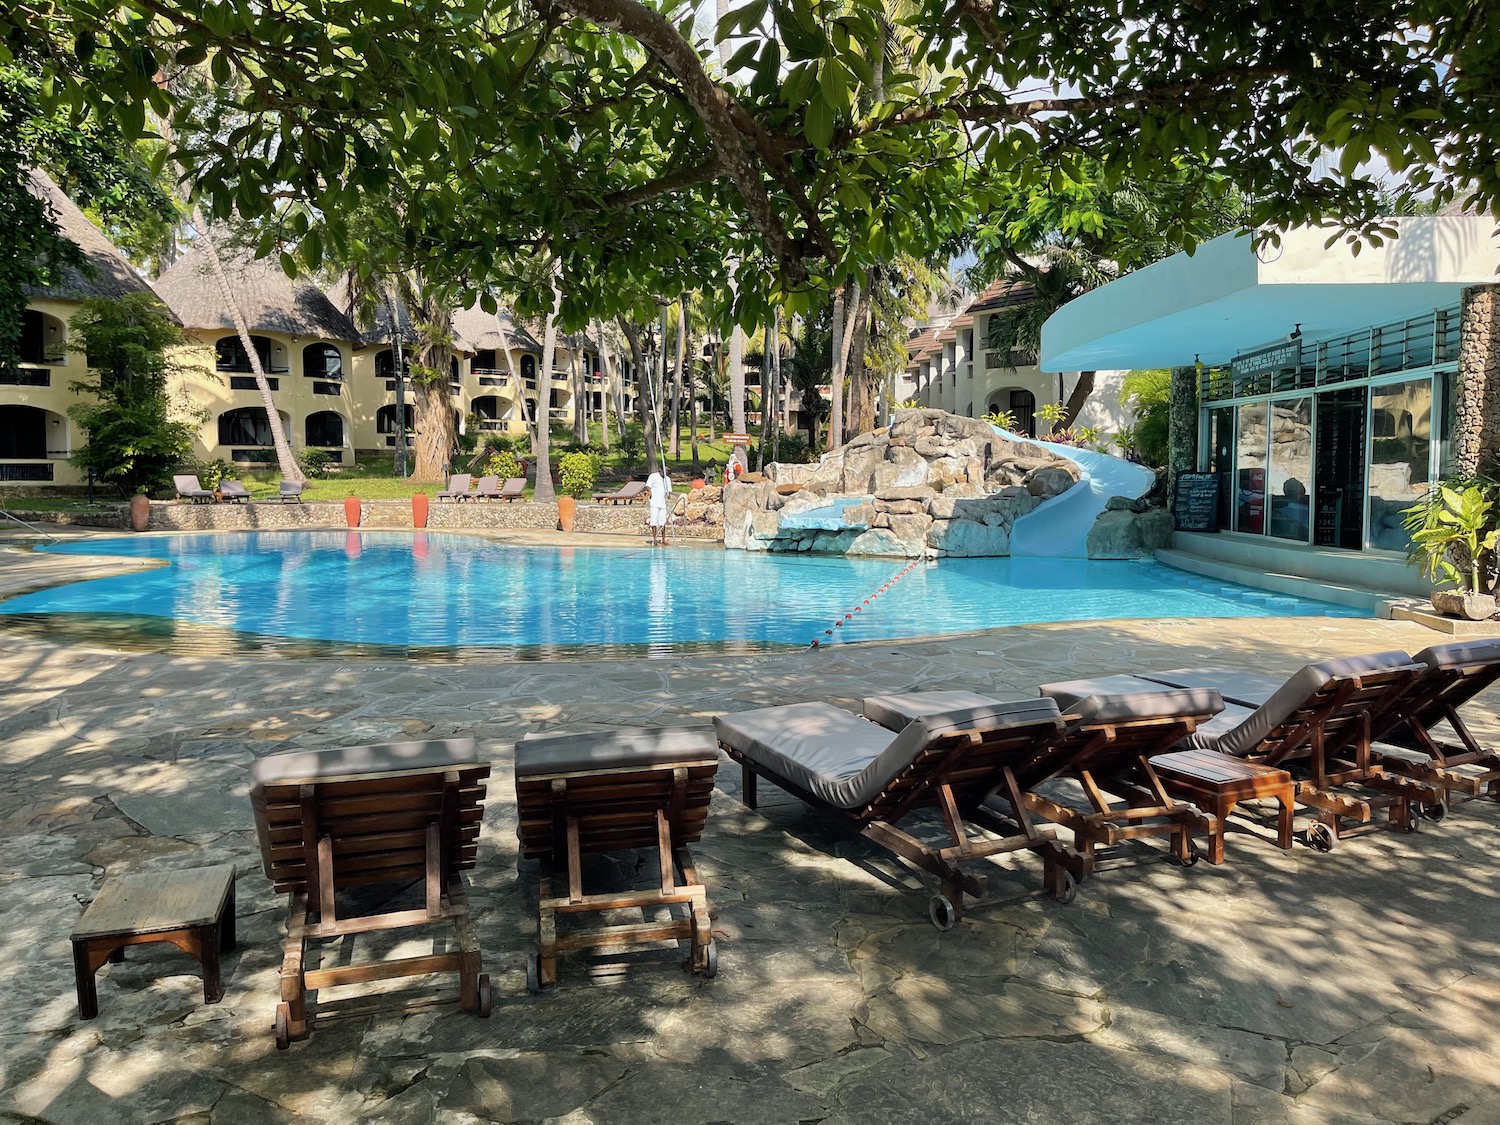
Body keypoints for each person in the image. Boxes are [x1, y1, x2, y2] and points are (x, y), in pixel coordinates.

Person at [646, 465, 670, 547]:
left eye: (667, 471)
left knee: (662, 522)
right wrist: (649, 491)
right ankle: (654, 539)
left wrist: (668, 495)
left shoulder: (667, 479)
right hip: (654, 503)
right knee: (654, 521)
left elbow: (668, 491)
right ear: (660, 470)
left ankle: (663, 539)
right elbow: (647, 486)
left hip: (662, 503)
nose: (666, 472)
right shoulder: (653, 476)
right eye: (665, 470)